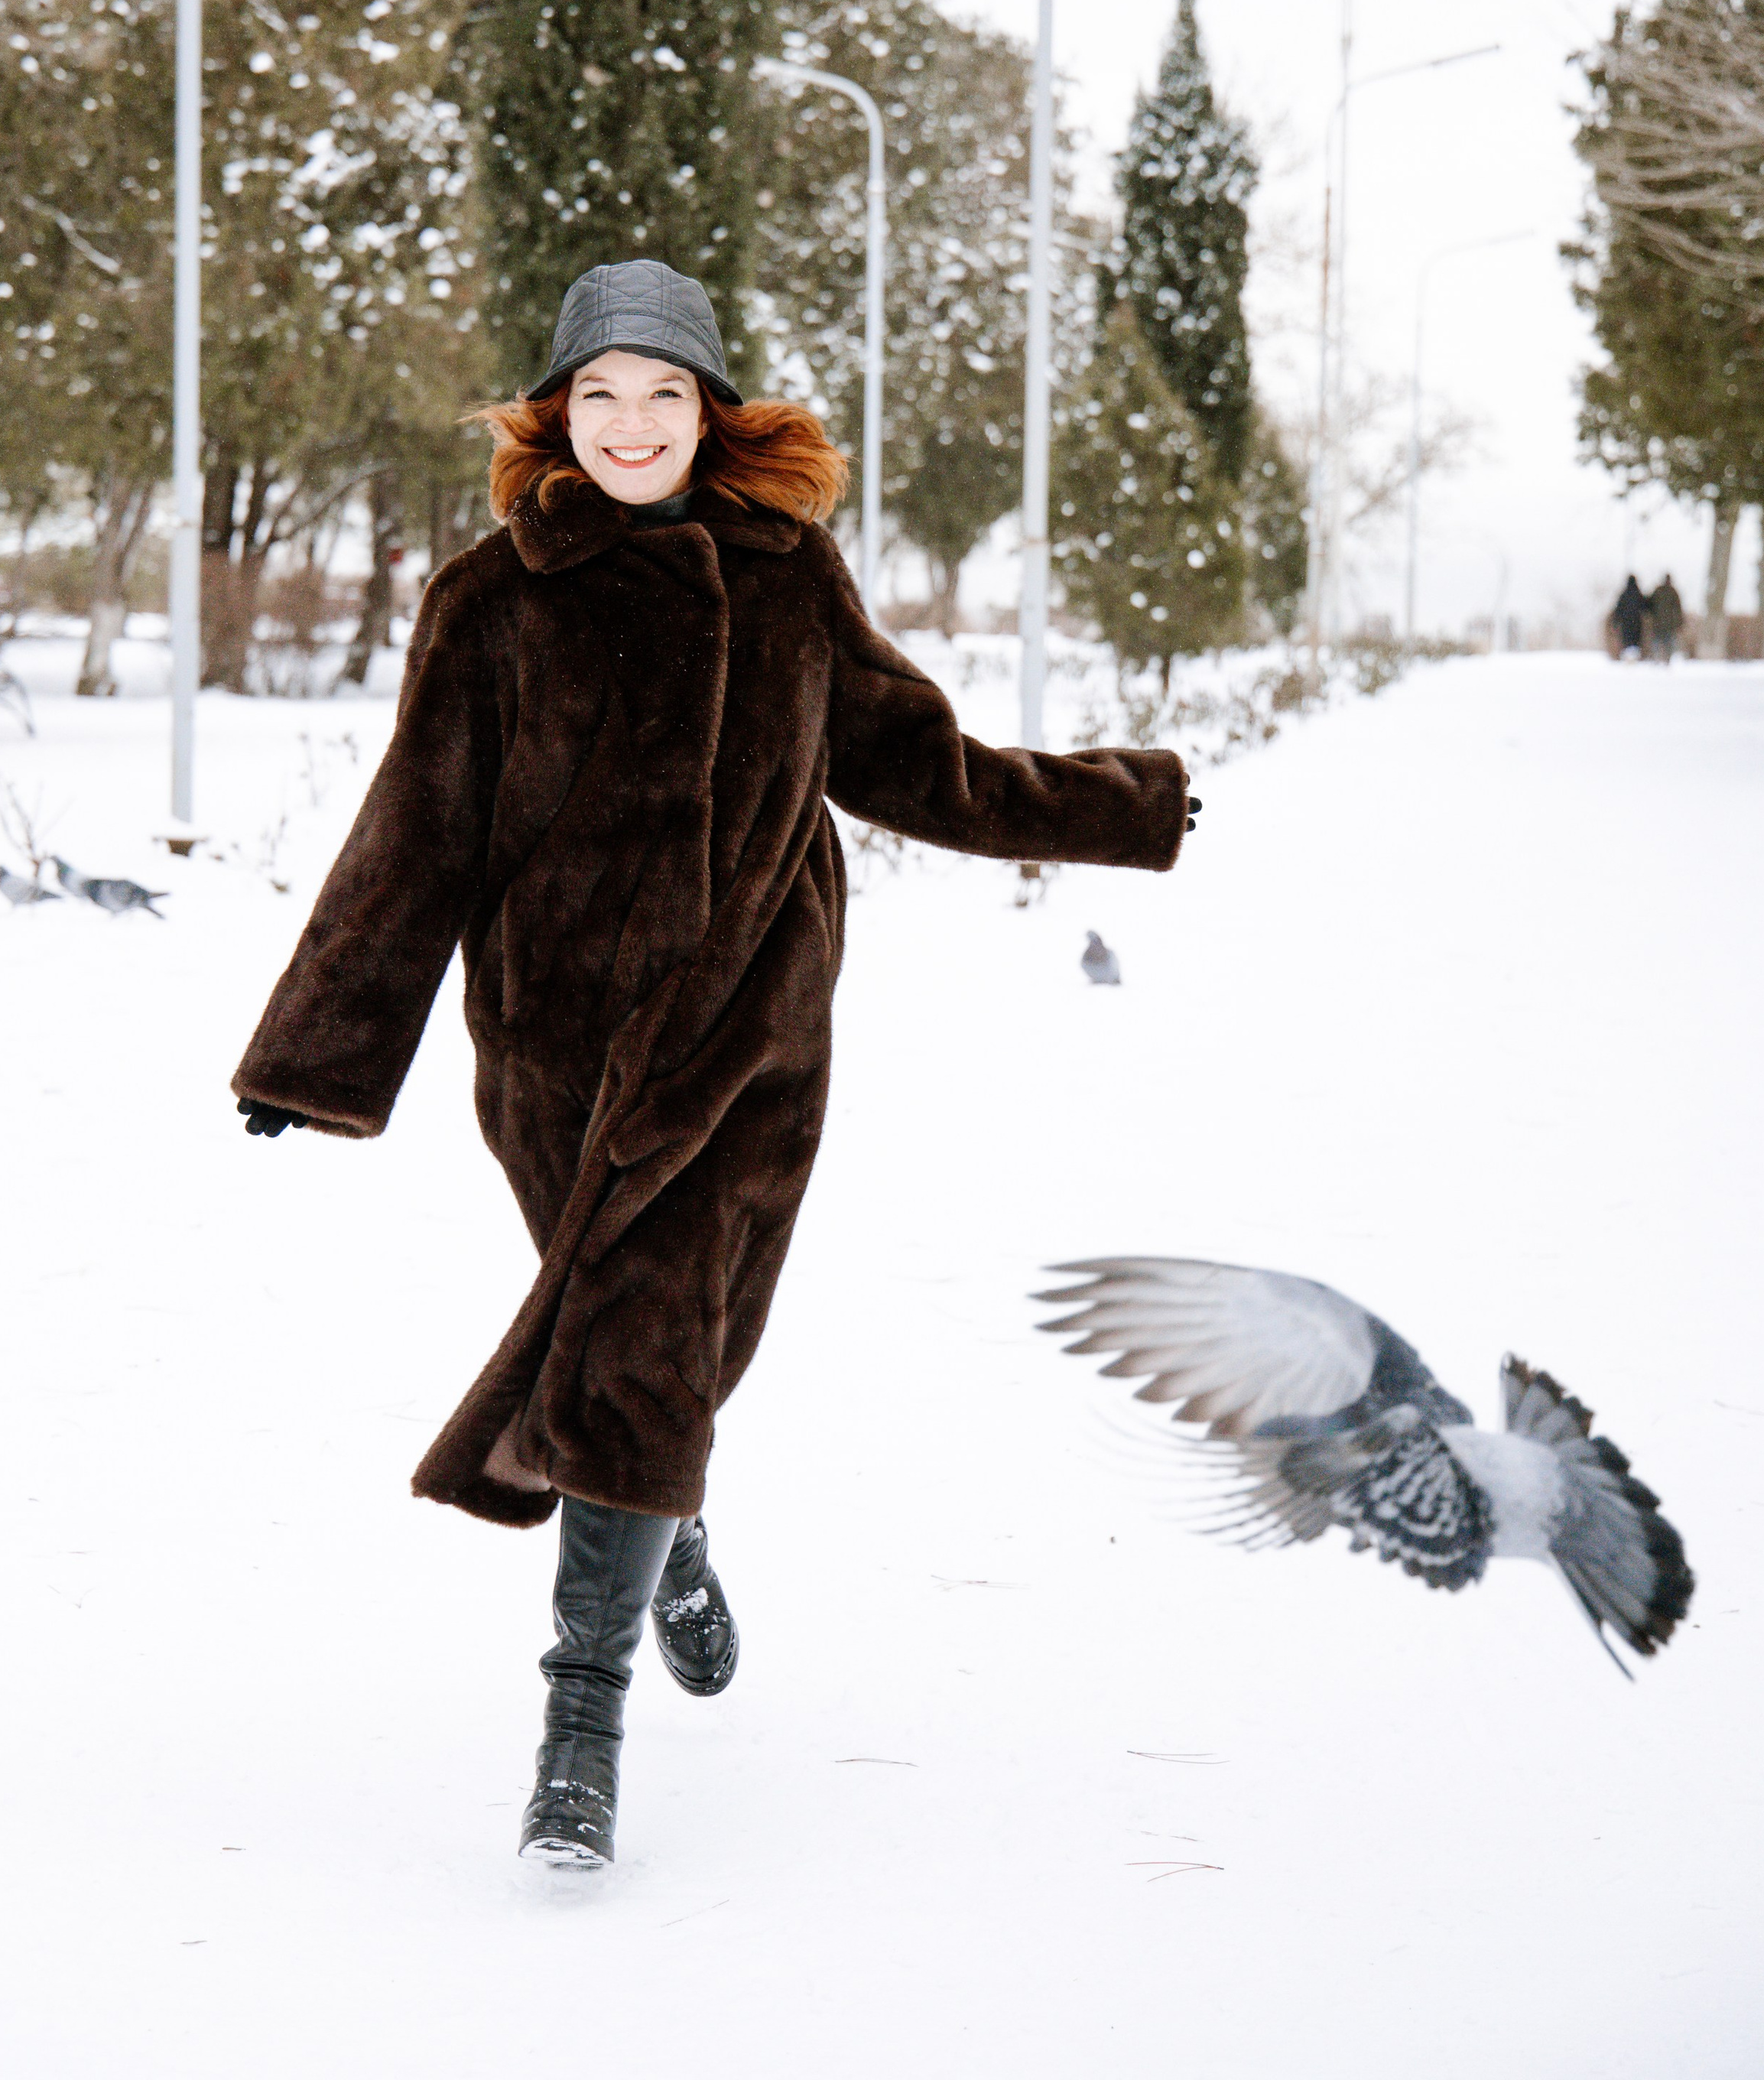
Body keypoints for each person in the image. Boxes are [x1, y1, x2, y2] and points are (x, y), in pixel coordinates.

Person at [232, 258, 1196, 1870]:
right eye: (597, 396)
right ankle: (624, 1624)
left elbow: (916, 764)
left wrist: (1117, 805)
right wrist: (317, 1050)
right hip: (554, 1057)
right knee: (636, 1359)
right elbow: (415, 831)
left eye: (660, 394)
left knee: (649, 1354)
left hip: (749, 1041)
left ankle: (601, 1657)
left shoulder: (787, 578)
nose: (628, 424)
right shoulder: (491, 596)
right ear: (557, 414)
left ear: (707, 411)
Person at [1646, 571, 1684, 662]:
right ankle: (1667, 660)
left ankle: (1656, 659)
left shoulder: (1658, 591)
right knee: (1669, 644)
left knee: (1656, 643)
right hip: (1669, 625)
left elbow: (1650, 606)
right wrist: (1679, 623)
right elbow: (1678, 610)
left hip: (1658, 623)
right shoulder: (1673, 592)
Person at [1608, 573, 1648, 660]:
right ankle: (1635, 658)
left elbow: (1618, 610)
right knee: (1636, 642)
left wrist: (1615, 622)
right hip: (1637, 623)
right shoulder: (1638, 594)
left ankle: (1627, 659)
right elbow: (1645, 607)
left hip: (1626, 623)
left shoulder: (1624, 595)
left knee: (1627, 641)